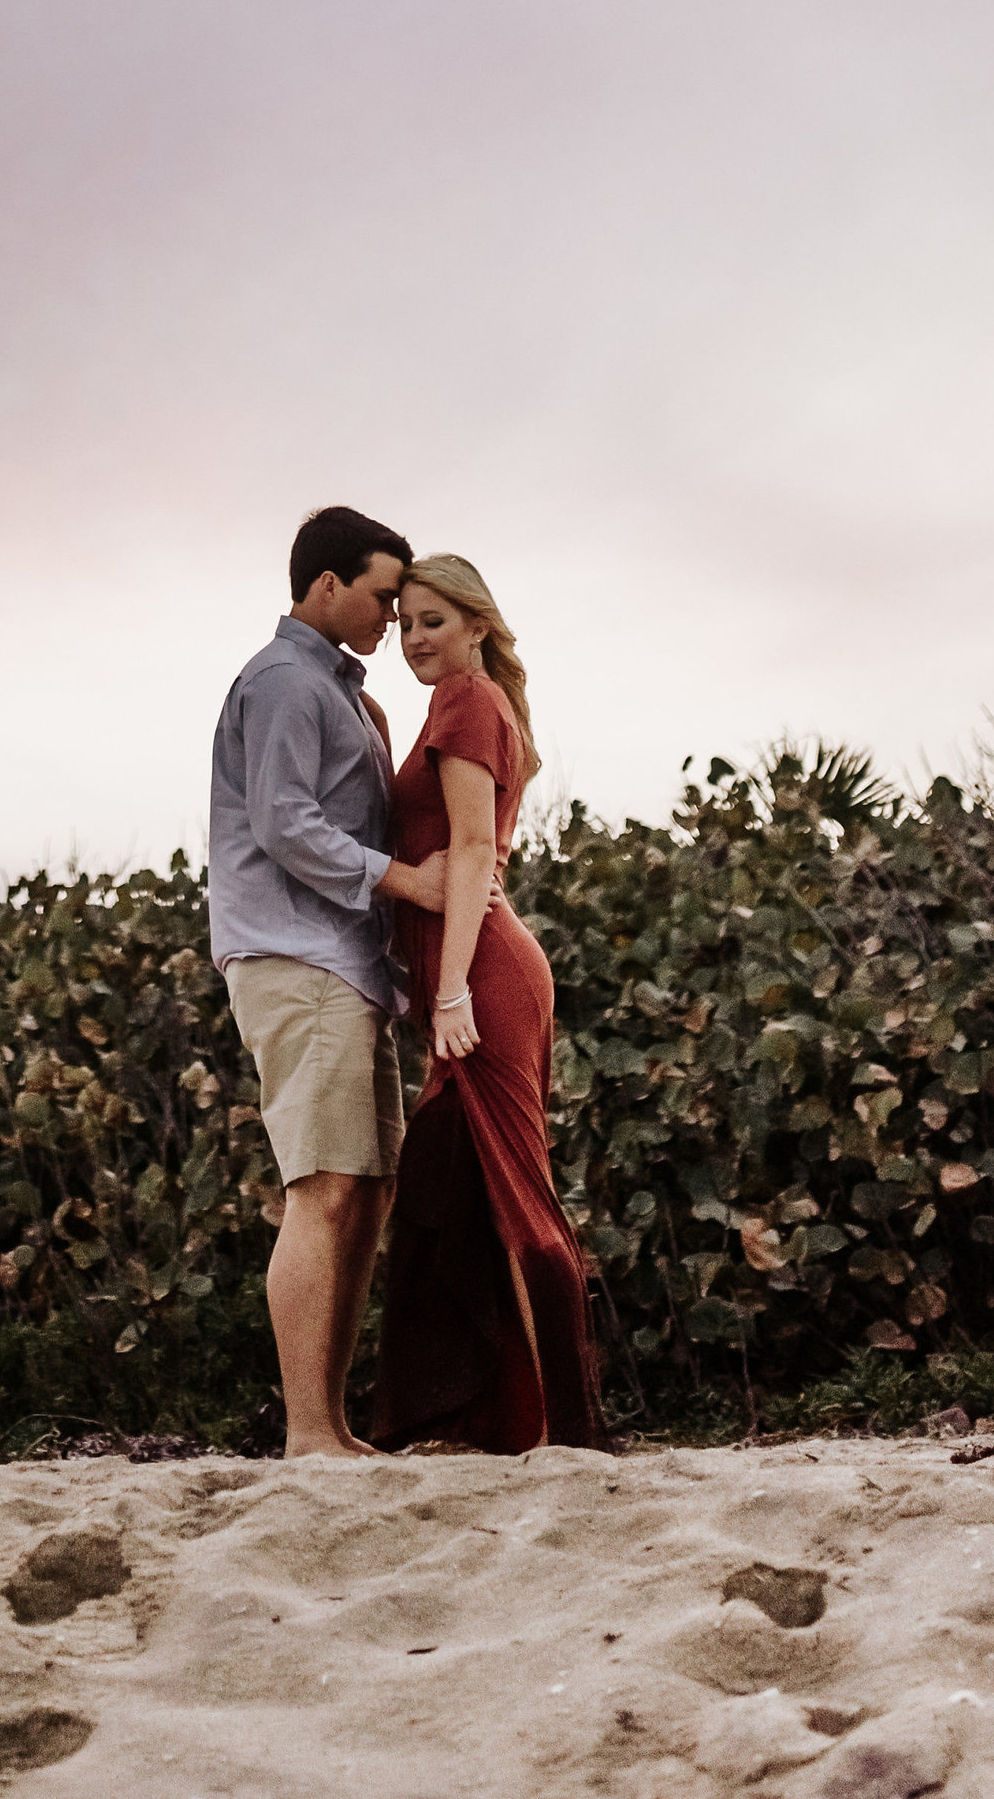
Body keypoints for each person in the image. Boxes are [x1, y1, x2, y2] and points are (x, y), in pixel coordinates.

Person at [208, 504, 454, 1457]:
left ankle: (333, 1426)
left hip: (345, 965)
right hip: (296, 956)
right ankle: (310, 1434)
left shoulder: (344, 694)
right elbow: (284, 823)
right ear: (325, 586)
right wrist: (408, 881)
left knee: (367, 1188)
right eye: (384, 597)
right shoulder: (282, 683)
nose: (393, 618)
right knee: (323, 1186)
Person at [372, 549, 607, 1453]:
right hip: (472, 969)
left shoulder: (469, 700)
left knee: (518, 1195)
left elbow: (473, 853)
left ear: (476, 624)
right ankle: (486, 1419)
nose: (415, 638)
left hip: (484, 976)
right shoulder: (460, 702)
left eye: (433, 620)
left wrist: (449, 990)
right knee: (449, 1181)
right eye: (404, 624)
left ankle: (571, 1430)